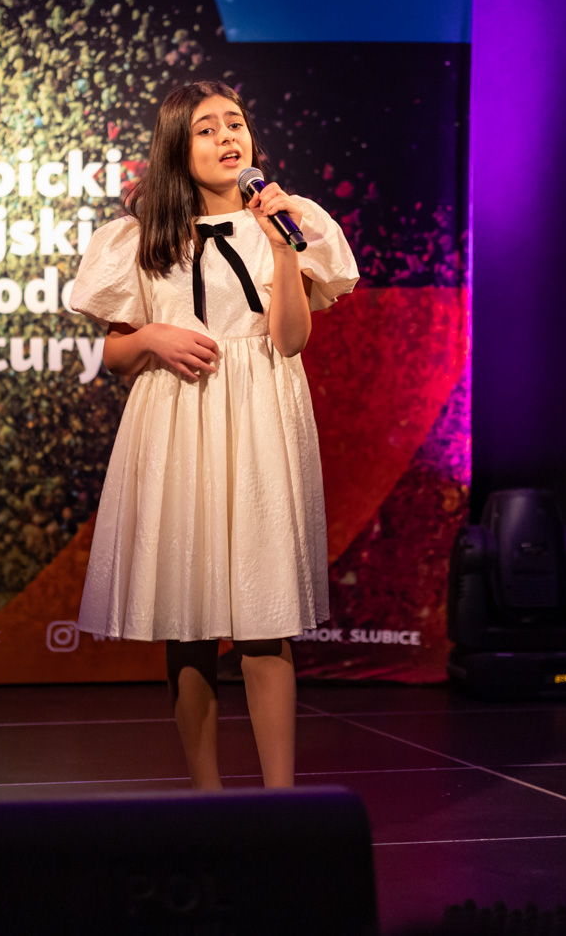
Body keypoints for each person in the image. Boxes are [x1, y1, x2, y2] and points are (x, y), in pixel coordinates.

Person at [70, 80, 359, 788]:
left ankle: (281, 801)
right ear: (178, 146)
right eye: (207, 128)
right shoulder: (143, 237)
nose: (229, 137)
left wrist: (283, 248)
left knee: (264, 616)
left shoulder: (289, 221)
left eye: (236, 123)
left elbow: (290, 340)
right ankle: (207, 796)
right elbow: (112, 354)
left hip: (259, 419)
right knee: (189, 620)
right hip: (177, 422)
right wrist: (153, 337)